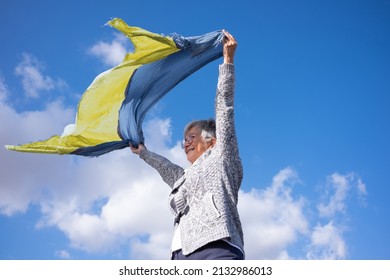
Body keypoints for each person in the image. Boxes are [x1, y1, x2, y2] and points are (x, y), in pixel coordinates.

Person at [130, 30, 244, 260]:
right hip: (180, 254)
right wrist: (142, 152)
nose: (186, 143)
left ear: (212, 141)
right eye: (184, 139)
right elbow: (166, 168)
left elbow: (224, 109)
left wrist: (227, 62)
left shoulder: (223, 157)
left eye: (192, 137)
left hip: (217, 247)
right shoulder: (183, 176)